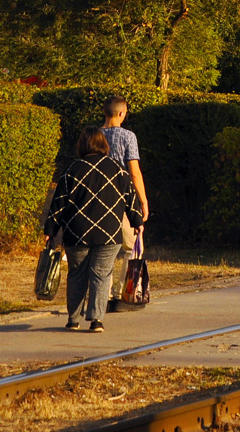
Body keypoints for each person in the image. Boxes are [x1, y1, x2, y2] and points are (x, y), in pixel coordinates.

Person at [45, 127, 143, 332]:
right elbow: (131, 197)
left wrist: (51, 229)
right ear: (103, 145)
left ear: (82, 145)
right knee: (102, 274)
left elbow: (58, 203)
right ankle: (96, 320)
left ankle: (73, 319)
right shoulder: (117, 169)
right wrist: (137, 221)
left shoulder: (72, 170)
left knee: (76, 274)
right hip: (109, 232)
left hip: (76, 232)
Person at [100, 95, 147, 306]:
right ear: (122, 113)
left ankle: (104, 293)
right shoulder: (128, 136)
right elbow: (134, 172)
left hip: (98, 199)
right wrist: (143, 201)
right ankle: (123, 292)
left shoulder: (93, 136)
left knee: (104, 249)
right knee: (133, 246)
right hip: (122, 198)